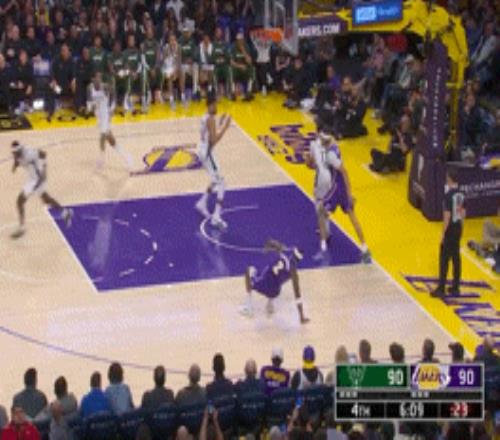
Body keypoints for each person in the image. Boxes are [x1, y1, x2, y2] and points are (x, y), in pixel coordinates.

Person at [307, 124, 371, 262]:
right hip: (341, 187)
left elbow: (344, 172)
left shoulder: (330, 155)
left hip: (337, 188)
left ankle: (323, 248)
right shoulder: (334, 146)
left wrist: (349, 193)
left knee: (321, 210)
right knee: (353, 218)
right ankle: (365, 248)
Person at [10, 142, 73, 239]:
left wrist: (44, 168)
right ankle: (65, 212)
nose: (14, 155)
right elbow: (17, 160)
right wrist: (15, 165)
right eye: (13, 153)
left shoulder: (30, 153)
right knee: (46, 199)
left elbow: (43, 154)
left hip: (38, 179)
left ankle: (22, 228)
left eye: (15, 153)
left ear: (20, 151)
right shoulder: (18, 155)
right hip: (31, 179)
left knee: (20, 201)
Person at [239, 239, 309, 324]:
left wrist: (268, 247)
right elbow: (298, 296)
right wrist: (301, 317)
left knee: (249, 270)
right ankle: (270, 304)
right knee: (279, 278)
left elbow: (271, 242)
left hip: (264, 286)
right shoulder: (294, 273)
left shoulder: (284, 252)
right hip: (276, 292)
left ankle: (249, 308)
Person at [195, 94, 231, 229]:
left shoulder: (205, 117)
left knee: (215, 179)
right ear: (210, 105)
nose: (217, 107)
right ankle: (216, 217)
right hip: (207, 152)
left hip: (202, 149)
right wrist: (225, 127)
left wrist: (219, 124)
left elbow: (210, 134)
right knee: (222, 183)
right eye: (215, 105)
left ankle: (202, 203)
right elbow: (214, 141)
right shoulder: (210, 119)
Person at [87, 72, 133, 170]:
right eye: (97, 78)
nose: (99, 79)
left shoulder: (105, 87)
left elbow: (114, 95)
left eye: (100, 78)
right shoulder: (89, 88)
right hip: (98, 116)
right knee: (112, 141)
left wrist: (112, 108)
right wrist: (90, 107)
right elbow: (89, 103)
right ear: (92, 79)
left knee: (102, 134)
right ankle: (127, 157)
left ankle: (101, 158)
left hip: (106, 115)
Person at [431, 169, 466, 297]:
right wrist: (462, 228)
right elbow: (463, 213)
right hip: (458, 227)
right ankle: (456, 286)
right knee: (456, 257)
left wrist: (443, 234)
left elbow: (447, 216)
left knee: (444, 258)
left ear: (449, 179)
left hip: (450, 229)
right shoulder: (462, 194)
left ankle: (441, 288)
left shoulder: (448, 196)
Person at [230, 32, 254, 101]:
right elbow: (231, 62)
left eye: (241, 40)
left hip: (245, 68)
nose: (240, 42)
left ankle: (248, 92)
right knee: (230, 70)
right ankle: (233, 93)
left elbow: (249, 61)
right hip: (237, 68)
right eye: (239, 40)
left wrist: (243, 51)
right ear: (236, 41)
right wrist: (240, 66)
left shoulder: (246, 47)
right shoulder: (233, 47)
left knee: (251, 69)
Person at [179, 24, 199, 103]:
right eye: (185, 32)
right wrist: (184, 60)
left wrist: (192, 59)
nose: (186, 34)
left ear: (190, 33)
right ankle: (182, 94)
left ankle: (195, 91)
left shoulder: (192, 41)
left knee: (196, 66)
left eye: (187, 32)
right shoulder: (180, 41)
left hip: (190, 64)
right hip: (183, 64)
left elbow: (196, 54)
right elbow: (178, 55)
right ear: (183, 33)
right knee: (182, 69)